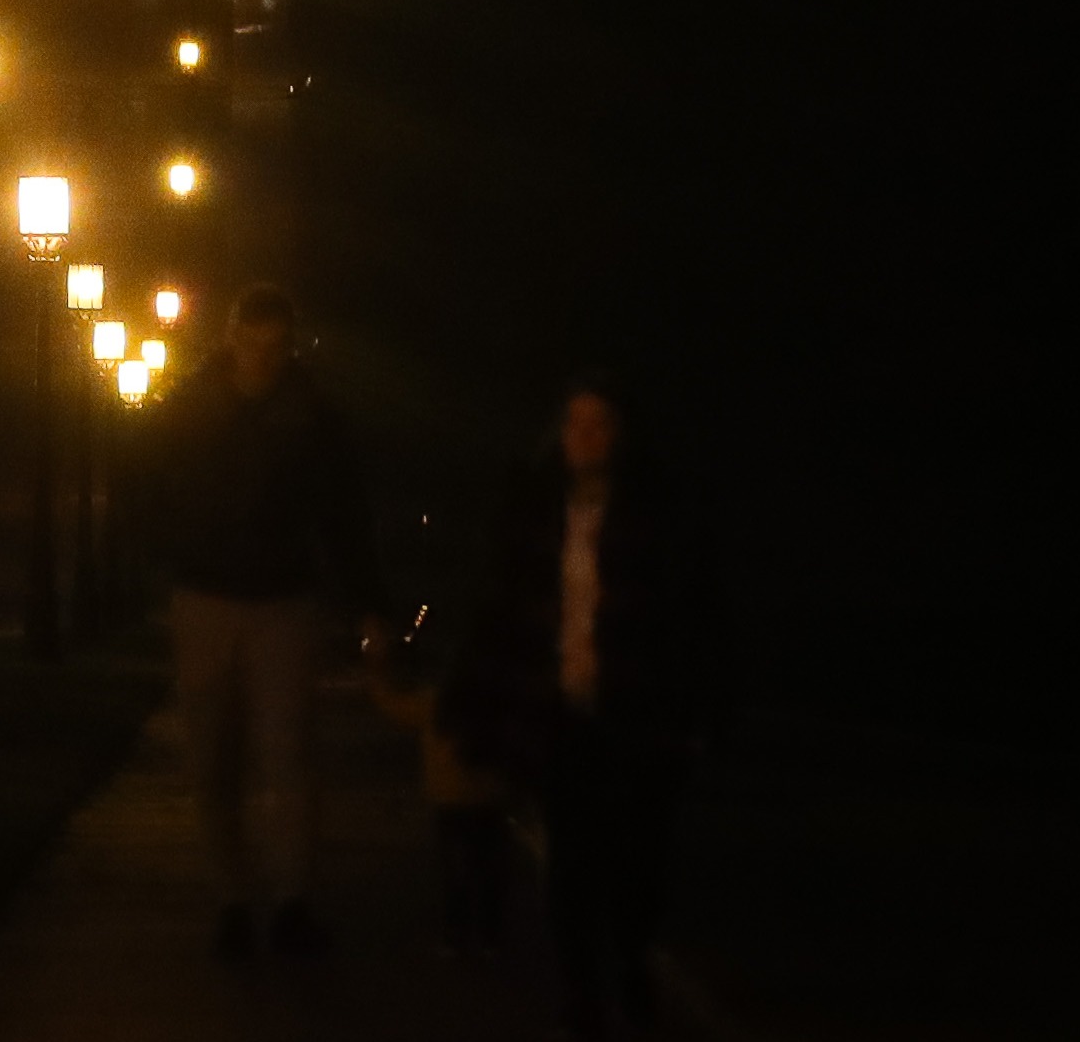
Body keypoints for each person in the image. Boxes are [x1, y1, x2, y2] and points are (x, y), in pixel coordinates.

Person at [459, 378, 718, 1040]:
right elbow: (503, 609)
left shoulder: (655, 517)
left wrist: (688, 710)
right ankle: (582, 987)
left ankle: (630, 960)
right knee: (571, 859)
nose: (585, 437)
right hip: (561, 712)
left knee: (636, 856)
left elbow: (685, 619)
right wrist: (482, 701)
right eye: (574, 423)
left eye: (599, 423)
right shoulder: (538, 514)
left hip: (633, 714)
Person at [138, 281, 378, 961]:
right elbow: (146, 483)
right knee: (217, 760)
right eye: (253, 344)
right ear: (233, 338)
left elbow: (344, 515)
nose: (262, 359)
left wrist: (367, 599)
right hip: (217, 594)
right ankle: (239, 902)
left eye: (273, 347)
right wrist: (174, 547)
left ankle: (286, 901)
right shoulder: (200, 409)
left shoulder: (304, 418)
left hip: (277, 600)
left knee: (284, 757)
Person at [361, 603, 517, 946]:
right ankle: (491, 934)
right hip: (491, 801)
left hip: (449, 802)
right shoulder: (498, 707)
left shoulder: (436, 704)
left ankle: (457, 932)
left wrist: (375, 672)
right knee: (489, 870)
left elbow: (392, 705)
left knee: (455, 872)